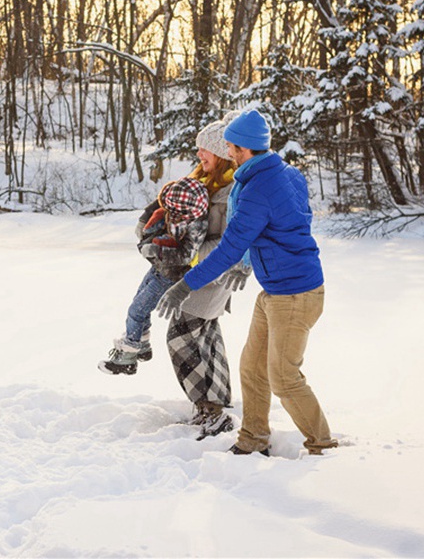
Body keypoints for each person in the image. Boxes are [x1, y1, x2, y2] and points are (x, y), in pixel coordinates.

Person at [156, 109, 338, 456]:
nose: (227, 152)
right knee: (252, 369)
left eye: (230, 147)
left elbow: (228, 249)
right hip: (276, 291)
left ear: (244, 149)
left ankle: (323, 447)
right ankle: (253, 440)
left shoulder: (257, 189)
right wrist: (249, 261)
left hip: (295, 295)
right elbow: (284, 225)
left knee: (283, 377)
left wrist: (186, 285)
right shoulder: (285, 173)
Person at [166, 115, 252, 441]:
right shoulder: (205, 182)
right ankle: (217, 403)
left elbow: (231, 244)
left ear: (221, 154)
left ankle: (210, 409)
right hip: (200, 275)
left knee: (180, 338)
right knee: (206, 338)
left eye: (205, 150)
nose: (199, 154)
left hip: (213, 276)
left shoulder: (231, 193)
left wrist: (189, 253)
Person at [98, 177, 209, 376]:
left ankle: (128, 357)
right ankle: (142, 346)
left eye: (175, 210)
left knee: (137, 311)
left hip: (170, 276)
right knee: (138, 302)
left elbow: (186, 256)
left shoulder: (195, 225)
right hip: (159, 269)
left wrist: (156, 250)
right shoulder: (180, 215)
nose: (171, 214)